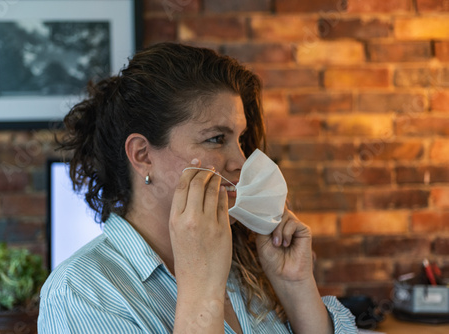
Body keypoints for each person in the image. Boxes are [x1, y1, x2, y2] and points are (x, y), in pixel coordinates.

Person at [38, 42, 357, 333]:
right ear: (143, 155)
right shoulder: (80, 294)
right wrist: (201, 287)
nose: (242, 162)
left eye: (240, 140)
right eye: (216, 139)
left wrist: (296, 286)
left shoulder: (245, 264)